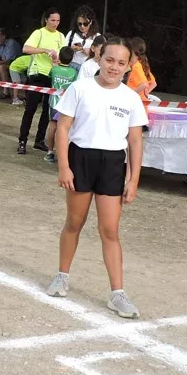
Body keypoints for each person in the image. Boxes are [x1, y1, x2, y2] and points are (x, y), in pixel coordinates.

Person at [47, 36, 148, 317]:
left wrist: (133, 179)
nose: (114, 67)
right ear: (99, 58)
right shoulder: (80, 88)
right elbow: (63, 129)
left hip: (113, 163)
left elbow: (136, 141)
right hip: (81, 159)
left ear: (129, 66)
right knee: (74, 223)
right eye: (109, 60)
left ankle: (117, 293)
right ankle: (62, 276)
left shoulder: (131, 98)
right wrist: (64, 166)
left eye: (121, 63)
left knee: (110, 230)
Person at [17, 9, 65, 154]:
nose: (55, 23)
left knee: (47, 111)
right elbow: (26, 48)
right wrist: (44, 50)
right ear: (46, 20)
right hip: (37, 74)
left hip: (52, 75)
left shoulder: (61, 36)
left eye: (58, 21)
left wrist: (58, 59)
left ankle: (39, 140)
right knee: (30, 109)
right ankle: (22, 141)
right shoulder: (39, 33)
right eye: (52, 20)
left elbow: (63, 53)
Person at [44, 47, 78, 163]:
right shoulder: (74, 72)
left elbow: (49, 77)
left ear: (59, 57)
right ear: (72, 58)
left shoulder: (54, 69)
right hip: (67, 104)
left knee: (52, 126)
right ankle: (64, 154)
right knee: (65, 128)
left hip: (54, 102)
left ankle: (50, 152)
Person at [0, 27, 24, 104]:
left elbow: (8, 61)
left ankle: (5, 92)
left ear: (4, 36)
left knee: (1, 67)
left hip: (16, 65)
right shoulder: (0, 43)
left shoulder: (11, 43)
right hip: (5, 63)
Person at [126, 37, 157, 109]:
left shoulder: (136, 67)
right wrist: (145, 94)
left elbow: (144, 84)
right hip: (140, 105)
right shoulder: (141, 64)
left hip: (137, 106)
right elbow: (153, 83)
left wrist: (131, 94)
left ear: (132, 51)